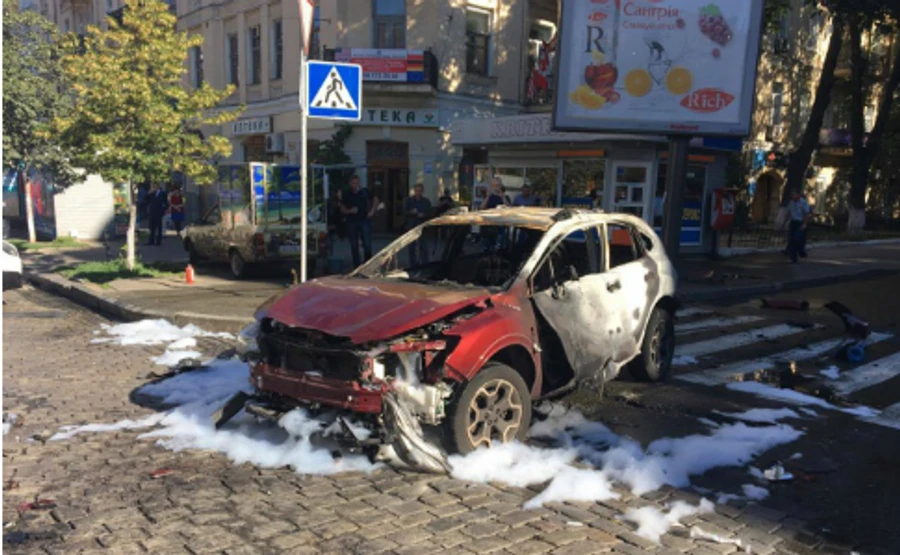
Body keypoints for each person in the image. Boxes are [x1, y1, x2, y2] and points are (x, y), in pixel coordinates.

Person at [340, 175, 378, 267]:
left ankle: (368, 264)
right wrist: (350, 211)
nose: (355, 185)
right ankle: (356, 266)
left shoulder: (364, 191)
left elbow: (375, 199)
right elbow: (342, 209)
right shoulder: (346, 193)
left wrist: (372, 210)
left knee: (367, 243)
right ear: (350, 183)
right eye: (353, 183)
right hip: (352, 221)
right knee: (354, 244)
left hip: (364, 220)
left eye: (357, 183)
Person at [404, 183, 433, 266]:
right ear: (414, 191)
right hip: (412, 225)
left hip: (422, 225)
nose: (418, 193)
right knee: (412, 247)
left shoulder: (426, 201)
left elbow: (430, 212)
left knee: (423, 246)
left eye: (420, 191)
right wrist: (411, 212)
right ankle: (413, 264)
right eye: (416, 191)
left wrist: (424, 214)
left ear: (422, 192)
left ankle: (424, 264)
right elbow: (404, 212)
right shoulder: (409, 200)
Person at [785, 190, 811, 263]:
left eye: (794, 195)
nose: (793, 196)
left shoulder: (803, 203)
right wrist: (785, 223)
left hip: (800, 223)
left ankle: (801, 250)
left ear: (798, 195)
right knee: (792, 239)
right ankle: (793, 257)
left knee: (798, 239)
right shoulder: (791, 203)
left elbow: (806, 214)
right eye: (792, 195)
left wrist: (804, 224)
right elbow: (788, 213)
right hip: (793, 222)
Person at [327, 189, 346, 257]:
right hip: (334, 224)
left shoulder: (341, 201)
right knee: (331, 242)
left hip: (338, 225)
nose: (340, 195)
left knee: (333, 242)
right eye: (339, 193)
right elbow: (333, 214)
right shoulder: (333, 202)